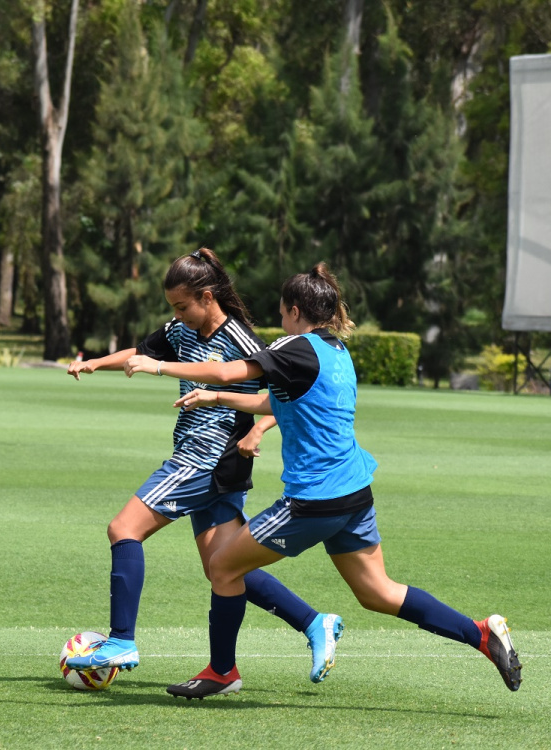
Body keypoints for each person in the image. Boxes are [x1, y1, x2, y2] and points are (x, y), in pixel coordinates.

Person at [124, 262, 522, 698]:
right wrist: (217, 397)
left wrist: (157, 366)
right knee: (378, 593)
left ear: (294, 309)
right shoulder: (334, 351)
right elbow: (278, 402)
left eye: (281, 310)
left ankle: (222, 672)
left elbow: (226, 369)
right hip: (354, 493)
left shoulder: (294, 347)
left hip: (314, 501)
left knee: (221, 565)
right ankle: (481, 634)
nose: (279, 318)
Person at [64, 248, 345, 686]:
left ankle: (121, 639)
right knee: (223, 567)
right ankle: (312, 623)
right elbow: (140, 351)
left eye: (182, 306)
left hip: (207, 458)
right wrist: (96, 362)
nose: (176, 315)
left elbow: (290, 393)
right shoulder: (181, 329)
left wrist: (259, 430)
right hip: (212, 462)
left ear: (208, 296)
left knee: (123, 529)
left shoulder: (242, 340)